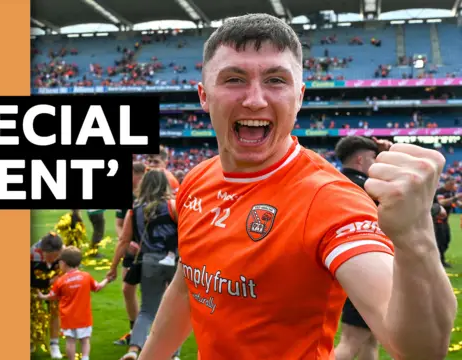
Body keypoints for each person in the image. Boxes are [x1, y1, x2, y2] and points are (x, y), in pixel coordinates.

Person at [136, 13, 456, 360]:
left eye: (275, 80)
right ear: (204, 96)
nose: (255, 99)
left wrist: (415, 236)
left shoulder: (330, 200)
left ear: (299, 96)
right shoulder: (196, 180)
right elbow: (188, 288)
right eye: (234, 79)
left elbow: (419, 351)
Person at [106, 169, 182, 360]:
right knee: (174, 309)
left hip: (149, 262)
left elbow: (124, 240)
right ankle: (173, 353)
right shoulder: (173, 205)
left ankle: (133, 350)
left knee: (147, 309)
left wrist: (113, 267)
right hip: (175, 262)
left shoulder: (135, 209)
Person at [332, 136, 391, 360]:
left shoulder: (335, 181)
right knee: (350, 342)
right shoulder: (366, 186)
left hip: (346, 264)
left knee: (369, 341)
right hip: (368, 269)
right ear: (360, 160)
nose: (376, 163)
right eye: (374, 158)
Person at [37, 246, 111, 360]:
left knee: (70, 341)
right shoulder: (86, 276)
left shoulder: (60, 281)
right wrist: (107, 279)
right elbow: (97, 287)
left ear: (63, 263)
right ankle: (85, 358)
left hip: (68, 318)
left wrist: (42, 296)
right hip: (84, 317)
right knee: (85, 340)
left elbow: (53, 296)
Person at [114, 161, 147, 346]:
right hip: (131, 252)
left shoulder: (150, 195)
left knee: (155, 292)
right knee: (127, 290)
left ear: (140, 175)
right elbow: (119, 224)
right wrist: (125, 241)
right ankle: (134, 332)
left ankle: (154, 333)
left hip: (151, 251)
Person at [30, 232, 65, 359]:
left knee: (55, 310)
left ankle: (54, 344)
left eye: (55, 257)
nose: (51, 260)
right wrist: (48, 282)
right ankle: (31, 340)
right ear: (41, 250)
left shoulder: (65, 253)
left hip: (55, 283)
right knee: (32, 312)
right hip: (35, 284)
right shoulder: (31, 254)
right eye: (49, 257)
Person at [435, 177, 461, 267]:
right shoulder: (440, 191)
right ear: (447, 183)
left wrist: (457, 201)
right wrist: (455, 198)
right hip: (437, 220)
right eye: (451, 184)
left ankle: (439, 259)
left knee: (446, 240)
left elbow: (457, 203)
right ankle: (440, 261)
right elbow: (442, 202)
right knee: (440, 241)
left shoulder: (451, 192)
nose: (453, 186)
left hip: (446, 220)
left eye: (454, 184)